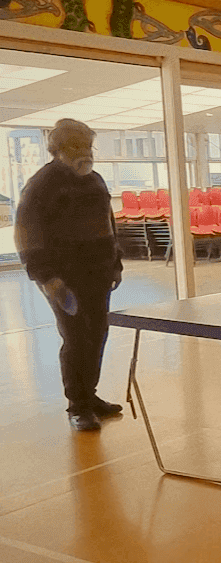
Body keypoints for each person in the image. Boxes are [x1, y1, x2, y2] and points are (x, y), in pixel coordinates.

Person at [14, 118, 123, 432]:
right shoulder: (41, 184)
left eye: (88, 145)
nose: (84, 152)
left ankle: (90, 396)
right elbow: (26, 233)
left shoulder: (96, 180)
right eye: (76, 146)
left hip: (98, 274)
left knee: (98, 334)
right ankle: (78, 406)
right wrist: (47, 277)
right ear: (57, 149)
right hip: (63, 279)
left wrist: (116, 263)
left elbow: (108, 225)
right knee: (76, 337)